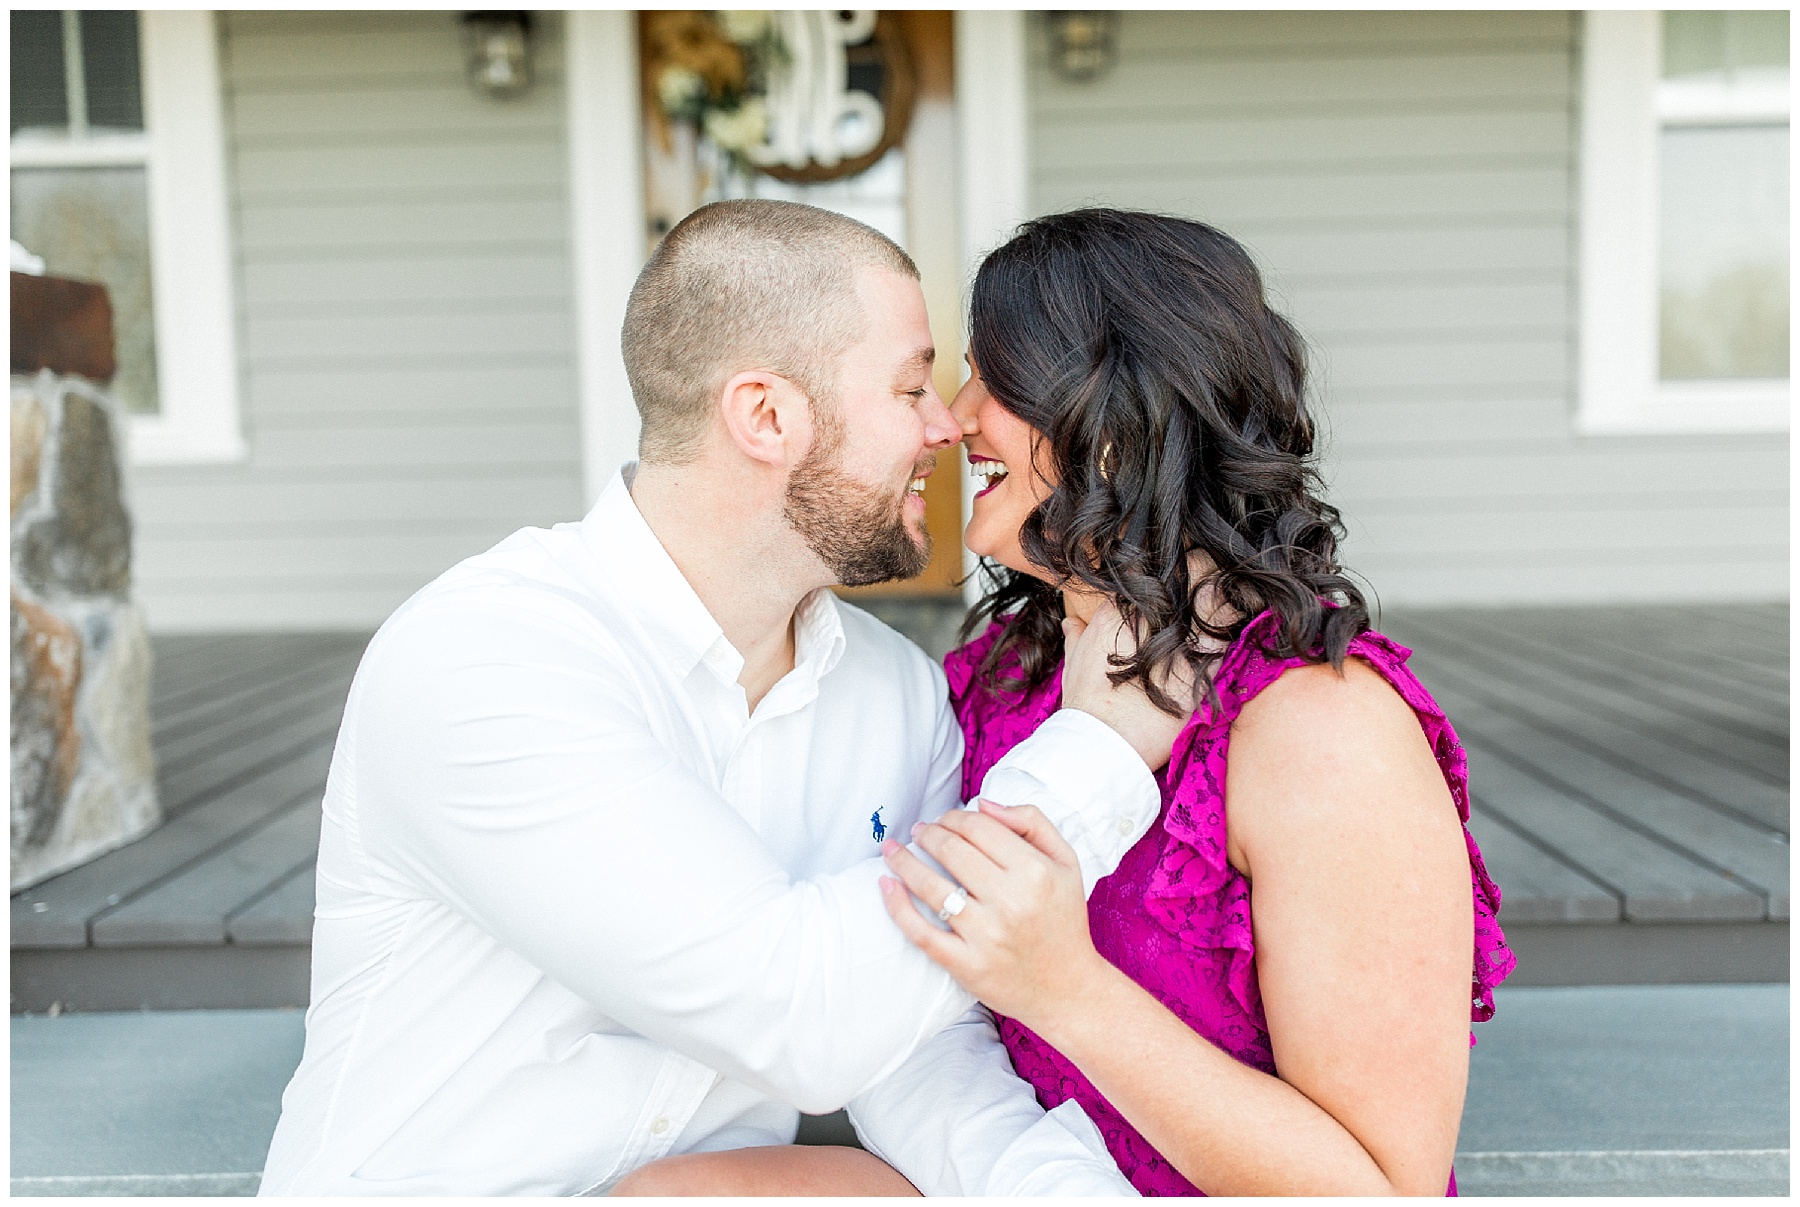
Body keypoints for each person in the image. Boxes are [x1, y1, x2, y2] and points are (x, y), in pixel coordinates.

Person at [257, 199, 1188, 1196]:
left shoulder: (894, 696)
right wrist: (1099, 748)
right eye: (912, 384)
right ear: (766, 417)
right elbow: (798, 1017)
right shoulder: (488, 655)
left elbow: (913, 1046)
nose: (944, 426)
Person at [873, 208, 1517, 1195]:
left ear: (1116, 418)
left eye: (993, 377)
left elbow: (1380, 1188)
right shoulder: (1000, 675)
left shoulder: (1321, 730)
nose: (957, 418)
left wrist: (1065, 990)